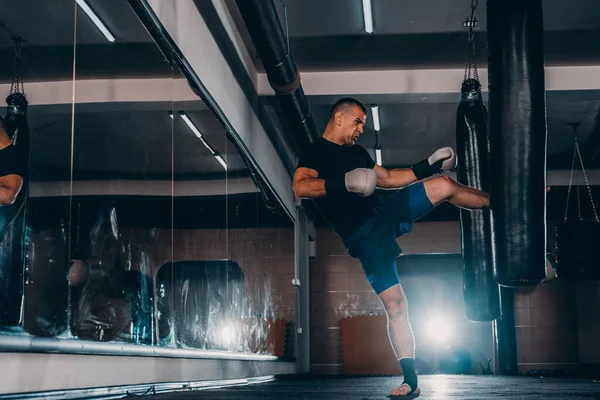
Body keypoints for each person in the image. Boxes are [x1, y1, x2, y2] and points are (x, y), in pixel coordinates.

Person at [293, 98, 489, 397]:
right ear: (339, 116)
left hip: (386, 209)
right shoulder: (315, 151)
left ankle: (503, 203)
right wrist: (342, 183)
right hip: (365, 236)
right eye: (357, 121)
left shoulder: (357, 152)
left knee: (445, 185)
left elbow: (386, 178)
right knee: (396, 305)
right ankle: (411, 381)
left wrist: (428, 164)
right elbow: (302, 187)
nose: (360, 128)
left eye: (363, 124)